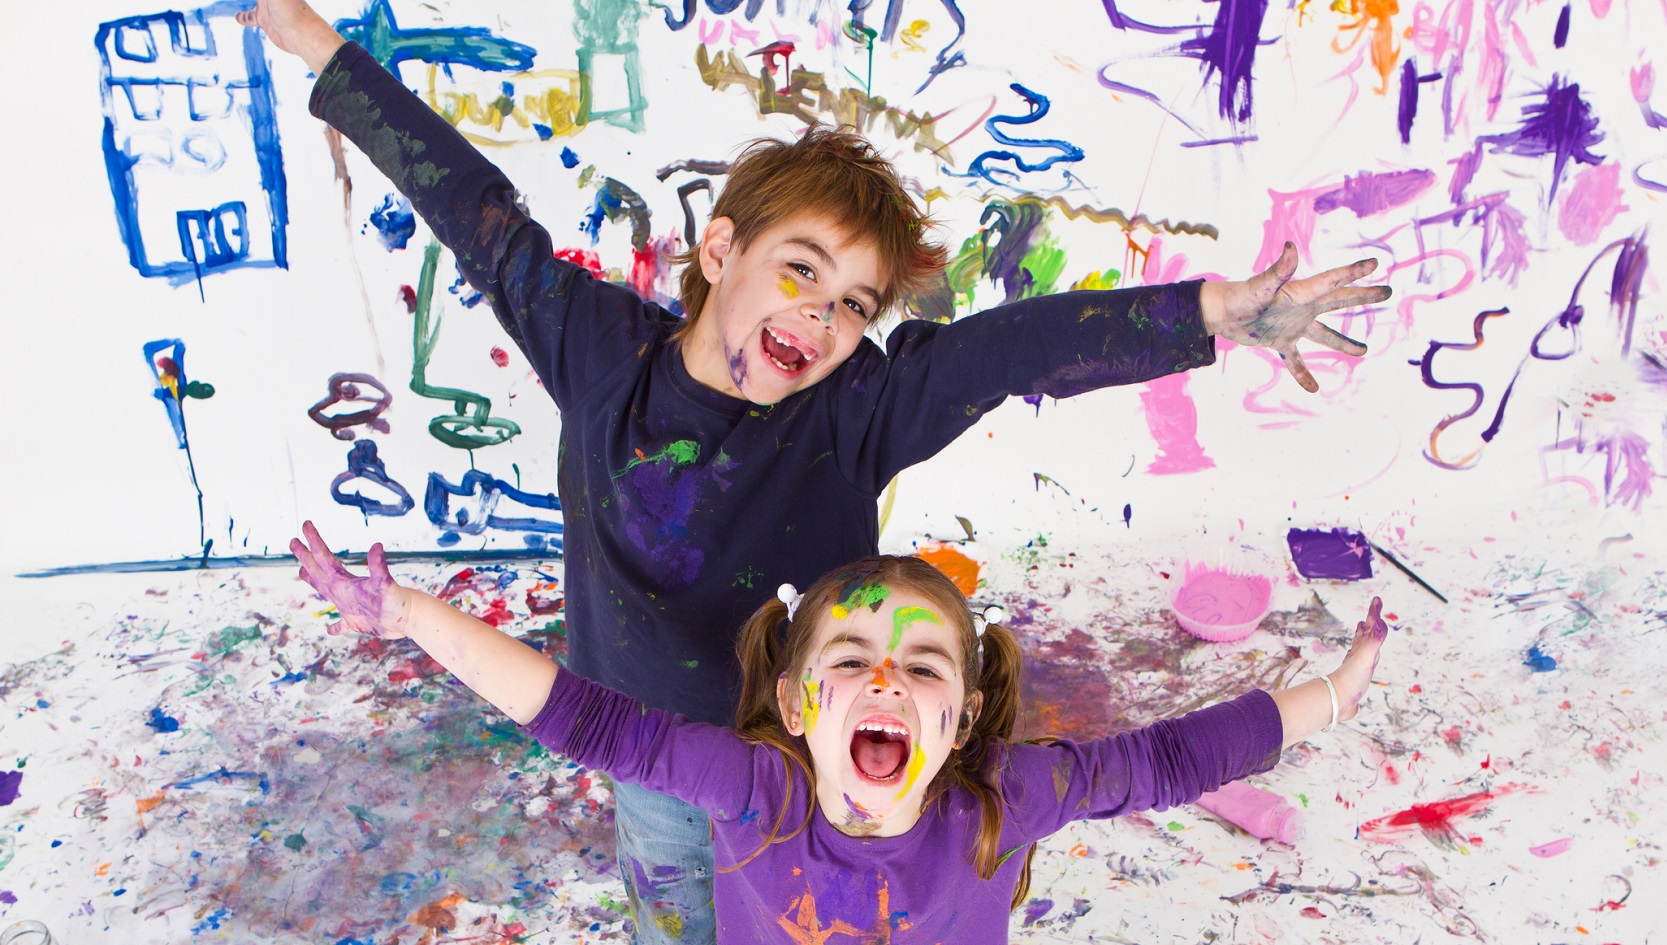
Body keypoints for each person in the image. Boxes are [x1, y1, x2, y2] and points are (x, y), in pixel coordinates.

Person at [238, 3, 1395, 940]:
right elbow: (474, 213)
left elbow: (1014, 348)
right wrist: (314, 43)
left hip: (812, 762)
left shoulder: (857, 410)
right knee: (676, 907)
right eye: (799, 271)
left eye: (852, 303)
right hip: (632, 734)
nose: (822, 315)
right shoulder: (598, 353)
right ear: (719, 249)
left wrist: (1216, 312)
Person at [289, 520, 1391, 943]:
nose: (884, 683)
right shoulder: (749, 784)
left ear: (956, 719)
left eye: (919, 668)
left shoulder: (1003, 796)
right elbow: (585, 718)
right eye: (850, 663)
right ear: (796, 704)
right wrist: (405, 614)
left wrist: (1336, 691)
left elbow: (1167, 759)